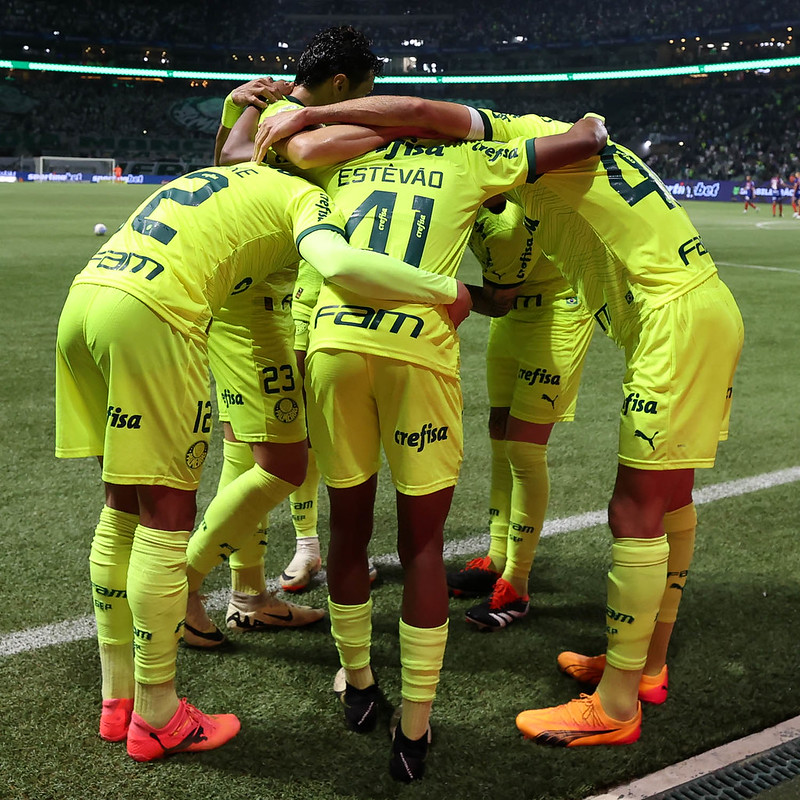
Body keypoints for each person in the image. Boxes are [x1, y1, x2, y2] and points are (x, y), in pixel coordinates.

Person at [254, 96, 744, 747]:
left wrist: (312, 116)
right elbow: (423, 126)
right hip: (692, 309)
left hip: (673, 319)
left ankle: (618, 703)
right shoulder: (549, 151)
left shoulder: (518, 137)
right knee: (671, 499)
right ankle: (643, 667)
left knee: (636, 510)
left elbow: (424, 111)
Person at [55, 159, 470, 761]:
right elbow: (340, 263)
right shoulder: (306, 196)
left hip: (86, 300)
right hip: (152, 315)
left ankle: (117, 701)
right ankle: (159, 715)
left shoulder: (233, 173)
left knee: (121, 506)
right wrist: (449, 290)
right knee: (165, 519)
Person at [245, 103, 607, 779]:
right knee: (422, 547)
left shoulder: (338, 159)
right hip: (418, 353)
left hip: (333, 346)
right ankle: (413, 733)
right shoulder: (473, 159)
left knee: (348, 532)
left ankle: (357, 685)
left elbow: (263, 150)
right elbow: (578, 144)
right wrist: (588, 124)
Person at [183, 30, 385, 640]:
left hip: (245, 297)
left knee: (247, 453)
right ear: (343, 84)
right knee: (284, 462)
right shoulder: (301, 125)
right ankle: (181, 584)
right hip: (255, 308)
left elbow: (227, 157)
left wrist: (245, 106)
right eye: (367, 89)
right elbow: (236, 161)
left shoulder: (265, 110)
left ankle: (248, 593)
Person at [447, 201, 594, 631]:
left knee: (524, 449)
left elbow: (495, 293)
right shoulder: (469, 186)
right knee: (499, 433)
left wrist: (428, 287)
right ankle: (496, 556)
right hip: (511, 316)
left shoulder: (507, 218)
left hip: (556, 311)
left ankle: (518, 582)